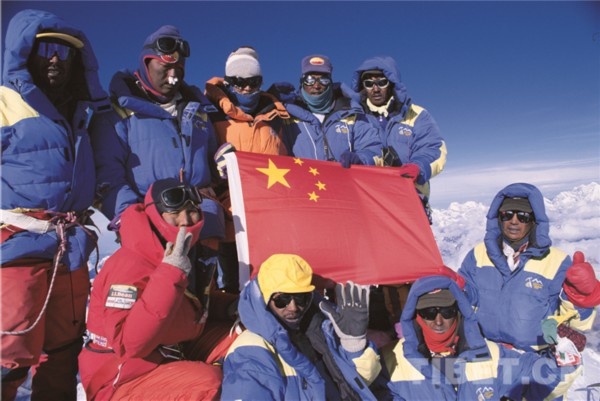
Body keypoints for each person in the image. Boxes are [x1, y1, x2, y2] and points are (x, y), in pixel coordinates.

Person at [1, 9, 110, 401]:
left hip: (71, 247)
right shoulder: (4, 102)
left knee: (64, 349)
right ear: (24, 51)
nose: (54, 59)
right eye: (45, 47)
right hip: (18, 243)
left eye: (64, 53)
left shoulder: (82, 112)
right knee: (8, 351)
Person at [79, 179, 237, 401]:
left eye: (191, 212)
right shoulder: (130, 265)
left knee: (245, 339)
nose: (185, 221)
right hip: (122, 377)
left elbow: (190, 308)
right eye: (175, 213)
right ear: (155, 214)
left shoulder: (191, 250)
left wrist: (231, 307)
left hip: (173, 352)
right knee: (206, 383)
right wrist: (171, 273)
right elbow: (129, 344)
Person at [90, 25, 224, 267]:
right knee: (158, 299)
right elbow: (107, 175)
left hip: (202, 223)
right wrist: (130, 219)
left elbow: (211, 165)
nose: (173, 76)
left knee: (201, 301)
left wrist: (223, 165)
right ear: (146, 62)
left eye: (179, 68)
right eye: (166, 67)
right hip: (151, 227)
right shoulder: (116, 113)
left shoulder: (199, 111)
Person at [458, 183, 599, 399]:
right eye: (507, 214)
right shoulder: (478, 255)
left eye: (523, 216)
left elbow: (575, 324)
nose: (514, 220)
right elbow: (465, 300)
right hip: (486, 361)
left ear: (534, 222)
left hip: (536, 365)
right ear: (498, 218)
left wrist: (582, 299)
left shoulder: (557, 261)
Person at [381, 275, 574, 400]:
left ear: (459, 312)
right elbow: (361, 392)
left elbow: (541, 375)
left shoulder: (491, 355)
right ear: (415, 316)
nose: (438, 321)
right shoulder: (392, 362)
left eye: (447, 311)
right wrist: (354, 349)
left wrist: (563, 352)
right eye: (429, 312)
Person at [221, 254, 382, 400]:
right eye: (282, 300)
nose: (293, 307)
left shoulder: (323, 331)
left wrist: (354, 346)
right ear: (265, 299)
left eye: (300, 298)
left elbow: (357, 387)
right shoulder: (251, 350)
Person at [205, 46, 290, 293]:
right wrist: (215, 166)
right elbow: (192, 161)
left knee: (272, 286)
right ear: (229, 82)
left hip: (270, 218)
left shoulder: (278, 116)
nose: (246, 89)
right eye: (239, 83)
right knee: (234, 288)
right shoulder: (209, 112)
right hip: (231, 218)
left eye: (253, 82)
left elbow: (288, 161)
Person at [352, 56, 447, 223]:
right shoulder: (353, 117)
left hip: (410, 203)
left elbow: (433, 148)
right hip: (365, 207)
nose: (375, 89)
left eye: (381, 82)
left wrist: (418, 167)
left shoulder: (417, 115)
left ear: (392, 83)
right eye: (368, 84)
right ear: (362, 87)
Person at [271, 54, 382, 167]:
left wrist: (361, 158)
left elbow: (374, 149)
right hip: (300, 183)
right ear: (302, 81)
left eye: (323, 79)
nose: (316, 85)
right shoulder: (286, 115)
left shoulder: (352, 113)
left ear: (330, 82)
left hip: (343, 182)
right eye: (310, 79)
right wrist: (268, 101)